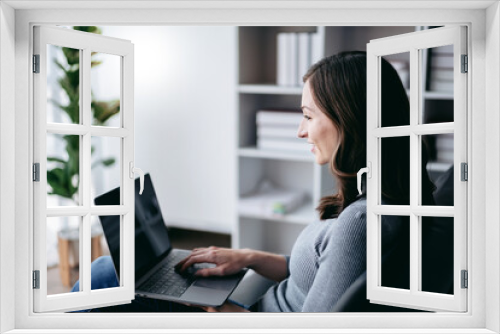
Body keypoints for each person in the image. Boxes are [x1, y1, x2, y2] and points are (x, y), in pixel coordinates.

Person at [72, 51, 437, 312]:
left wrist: (213, 311)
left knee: (106, 275)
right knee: (116, 273)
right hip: (259, 299)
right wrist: (246, 257)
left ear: (350, 120)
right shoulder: (389, 197)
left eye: (308, 116)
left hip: (250, 314)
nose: (300, 131)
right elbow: (321, 271)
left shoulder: (360, 224)